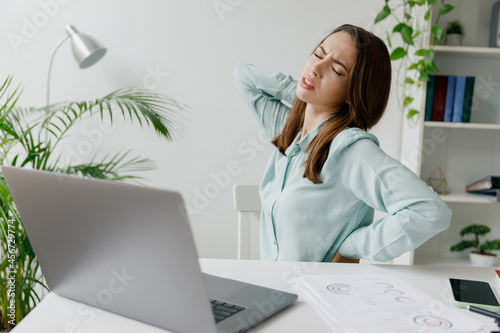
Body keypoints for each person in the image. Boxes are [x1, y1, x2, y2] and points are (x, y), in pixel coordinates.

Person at [233, 24, 451, 263]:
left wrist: (352, 246)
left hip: (314, 294)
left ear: (353, 92)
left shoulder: (349, 150)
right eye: (318, 54)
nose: (316, 68)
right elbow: (243, 75)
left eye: (336, 70)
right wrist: (299, 93)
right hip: (274, 288)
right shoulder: (289, 131)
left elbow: (429, 212)